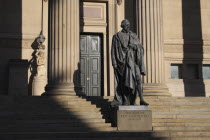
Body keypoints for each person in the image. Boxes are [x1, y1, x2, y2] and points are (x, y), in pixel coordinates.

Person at [111, 19, 149, 107]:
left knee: (138, 78)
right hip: (122, 62)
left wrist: (135, 47)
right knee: (124, 81)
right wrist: (114, 62)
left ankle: (141, 99)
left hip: (133, 61)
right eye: (126, 25)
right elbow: (113, 50)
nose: (128, 27)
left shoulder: (133, 35)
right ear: (122, 26)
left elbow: (140, 47)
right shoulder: (116, 36)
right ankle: (126, 100)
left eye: (129, 25)